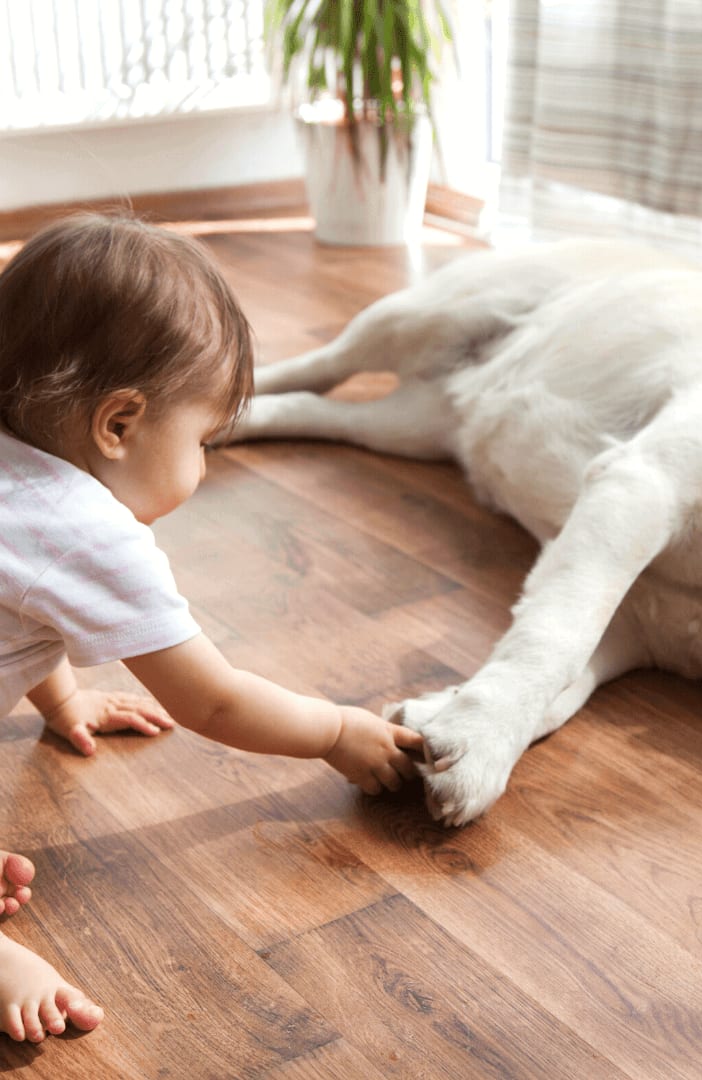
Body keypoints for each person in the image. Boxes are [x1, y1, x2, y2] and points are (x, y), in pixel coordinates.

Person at [0, 213, 424, 1044]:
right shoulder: (85, 530)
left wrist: (63, 702)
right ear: (118, 425)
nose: (204, 463)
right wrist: (336, 730)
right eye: (202, 439)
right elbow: (216, 701)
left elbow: (22, 601)